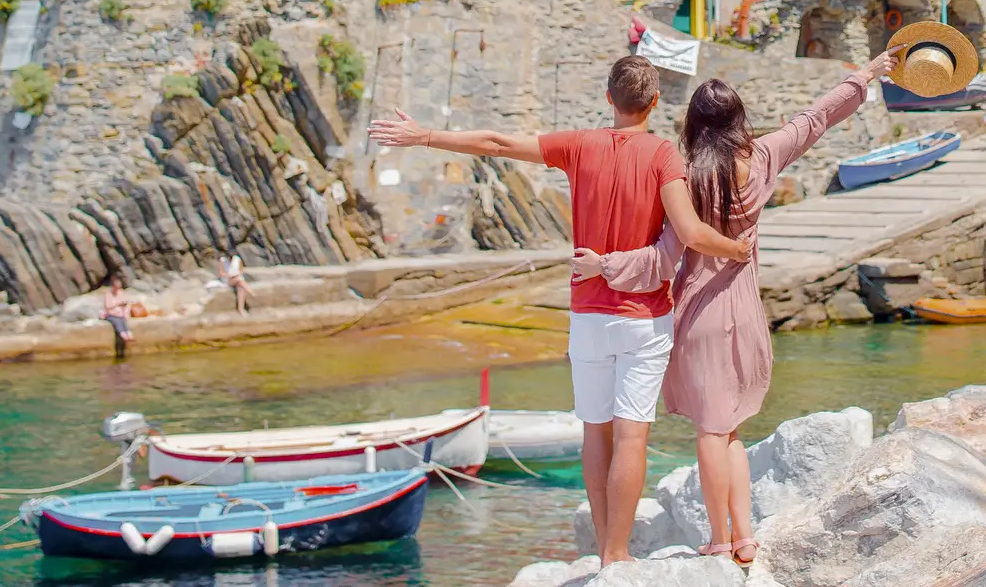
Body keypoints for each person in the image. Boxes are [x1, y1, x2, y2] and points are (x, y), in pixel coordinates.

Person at [368, 56, 749, 569]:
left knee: (596, 431)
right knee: (632, 434)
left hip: (587, 315)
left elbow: (498, 144)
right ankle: (619, 553)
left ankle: (604, 551)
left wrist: (425, 136)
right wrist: (737, 250)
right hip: (642, 317)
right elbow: (691, 234)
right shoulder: (663, 155)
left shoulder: (581, 145)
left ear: (609, 99)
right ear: (654, 102)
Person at [584, 51, 903, 565]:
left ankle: (719, 538)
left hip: (700, 315)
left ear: (693, 123)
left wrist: (607, 268)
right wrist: (863, 76)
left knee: (711, 430)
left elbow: (665, 258)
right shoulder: (764, 157)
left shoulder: (685, 177)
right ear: (738, 119)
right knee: (729, 429)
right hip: (747, 312)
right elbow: (814, 118)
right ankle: (745, 536)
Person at [102, 272, 134, 355]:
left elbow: (126, 304)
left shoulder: (121, 293)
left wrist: (126, 313)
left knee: (123, 320)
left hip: (120, 314)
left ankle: (129, 334)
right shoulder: (108, 294)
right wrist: (117, 304)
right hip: (110, 314)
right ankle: (123, 334)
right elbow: (107, 306)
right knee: (117, 321)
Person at [220, 248, 252, 315]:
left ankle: (241, 309)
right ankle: (250, 291)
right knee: (239, 281)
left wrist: (236, 274)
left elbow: (241, 271)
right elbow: (221, 273)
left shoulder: (237, 259)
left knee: (241, 288)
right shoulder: (222, 260)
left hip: (237, 279)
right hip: (228, 280)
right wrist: (229, 275)